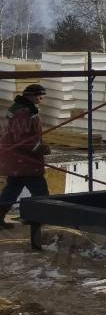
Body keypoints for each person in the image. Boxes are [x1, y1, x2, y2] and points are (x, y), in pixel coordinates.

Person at [0, 84, 51, 227]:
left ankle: (3, 217)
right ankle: (35, 219)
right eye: (40, 96)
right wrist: (39, 148)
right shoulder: (23, 113)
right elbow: (21, 138)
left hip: (17, 160)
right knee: (40, 192)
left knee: (12, 190)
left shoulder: (24, 109)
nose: (41, 99)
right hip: (25, 161)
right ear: (31, 96)